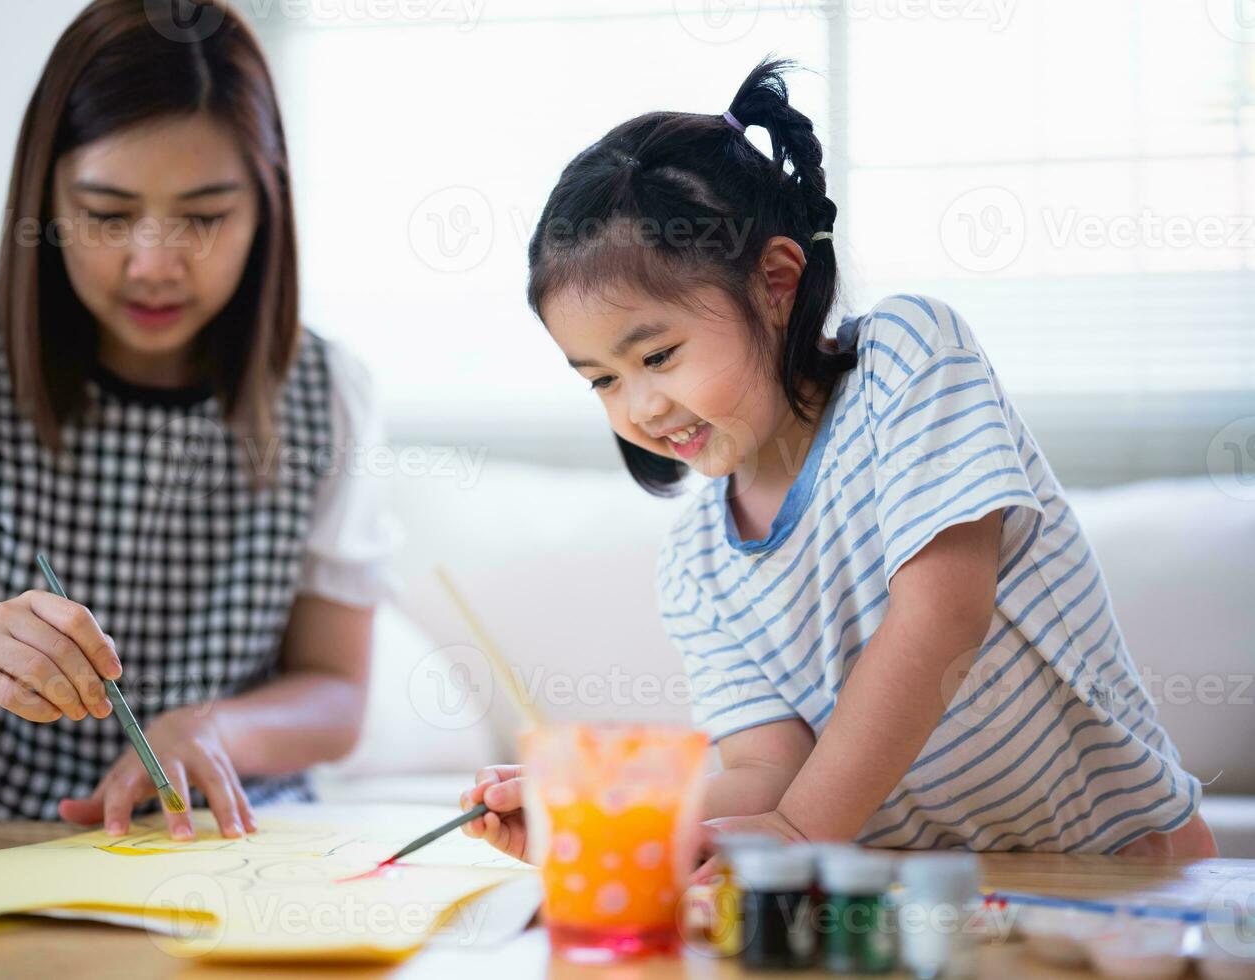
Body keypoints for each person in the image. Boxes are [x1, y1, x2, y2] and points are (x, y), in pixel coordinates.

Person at [462, 57, 1215, 859]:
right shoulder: (696, 569)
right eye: (603, 381)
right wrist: (592, 810)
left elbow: (942, 616)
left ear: (777, 281)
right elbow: (769, 777)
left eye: (658, 356)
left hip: (1127, 869)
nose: (638, 407)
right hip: (927, 911)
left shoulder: (909, 358)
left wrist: (798, 831)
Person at [0, 0, 398, 842]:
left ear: (267, 208)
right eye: (107, 214)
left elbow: (337, 692)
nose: (153, 262)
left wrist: (217, 729)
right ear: (45, 199)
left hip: (198, 855)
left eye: (206, 217)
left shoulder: (327, 391)